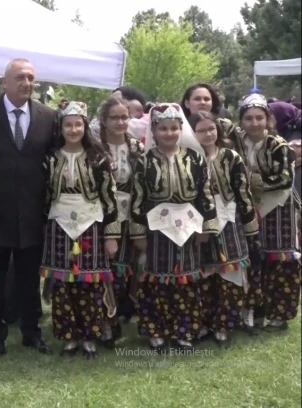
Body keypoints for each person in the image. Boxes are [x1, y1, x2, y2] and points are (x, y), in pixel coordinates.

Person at [0, 58, 56, 357]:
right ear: (3, 82)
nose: (27, 83)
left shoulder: (47, 116)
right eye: (20, 77)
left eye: (31, 78)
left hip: (32, 214)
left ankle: (32, 333)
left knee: (30, 280)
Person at [129, 103, 219, 351]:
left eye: (173, 128)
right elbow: (137, 199)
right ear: (154, 131)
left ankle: (185, 330)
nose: (169, 133)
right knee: (156, 281)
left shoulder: (195, 159)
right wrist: (138, 233)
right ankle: (156, 330)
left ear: (181, 129)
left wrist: (207, 228)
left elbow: (206, 195)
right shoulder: (145, 161)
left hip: (189, 227)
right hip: (156, 229)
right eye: (163, 129)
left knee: (186, 280)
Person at [41, 101, 119, 358]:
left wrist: (111, 235)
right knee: (63, 284)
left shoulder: (99, 159)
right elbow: (44, 195)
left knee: (91, 282)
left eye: (78, 124)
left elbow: (110, 199)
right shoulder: (50, 159)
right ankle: (68, 337)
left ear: (85, 126)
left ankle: (89, 336)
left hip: (91, 223)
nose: (73, 129)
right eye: (68, 124)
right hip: (59, 223)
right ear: (60, 127)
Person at [227, 93, 300, 333]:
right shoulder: (238, 140)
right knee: (255, 260)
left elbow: (285, 179)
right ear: (242, 120)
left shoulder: (277, 144)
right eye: (249, 118)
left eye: (259, 117)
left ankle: (279, 315)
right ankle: (255, 312)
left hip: (279, 207)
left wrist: (253, 180)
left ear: (268, 119)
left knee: (279, 260)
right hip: (250, 206)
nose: (254, 123)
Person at [189, 110, 259, 347]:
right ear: (192, 133)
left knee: (230, 274)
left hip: (230, 220)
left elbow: (244, 194)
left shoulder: (231, 157)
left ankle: (224, 325)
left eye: (211, 129)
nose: (208, 134)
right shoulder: (187, 159)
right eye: (201, 130)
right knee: (205, 276)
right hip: (198, 222)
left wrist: (251, 228)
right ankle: (205, 323)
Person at [94, 97, 145, 342]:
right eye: (114, 117)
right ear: (103, 120)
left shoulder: (136, 147)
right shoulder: (94, 147)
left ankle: (120, 315)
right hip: (100, 214)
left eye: (124, 117)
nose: (120, 122)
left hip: (129, 213)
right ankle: (104, 322)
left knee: (123, 269)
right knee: (103, 269)